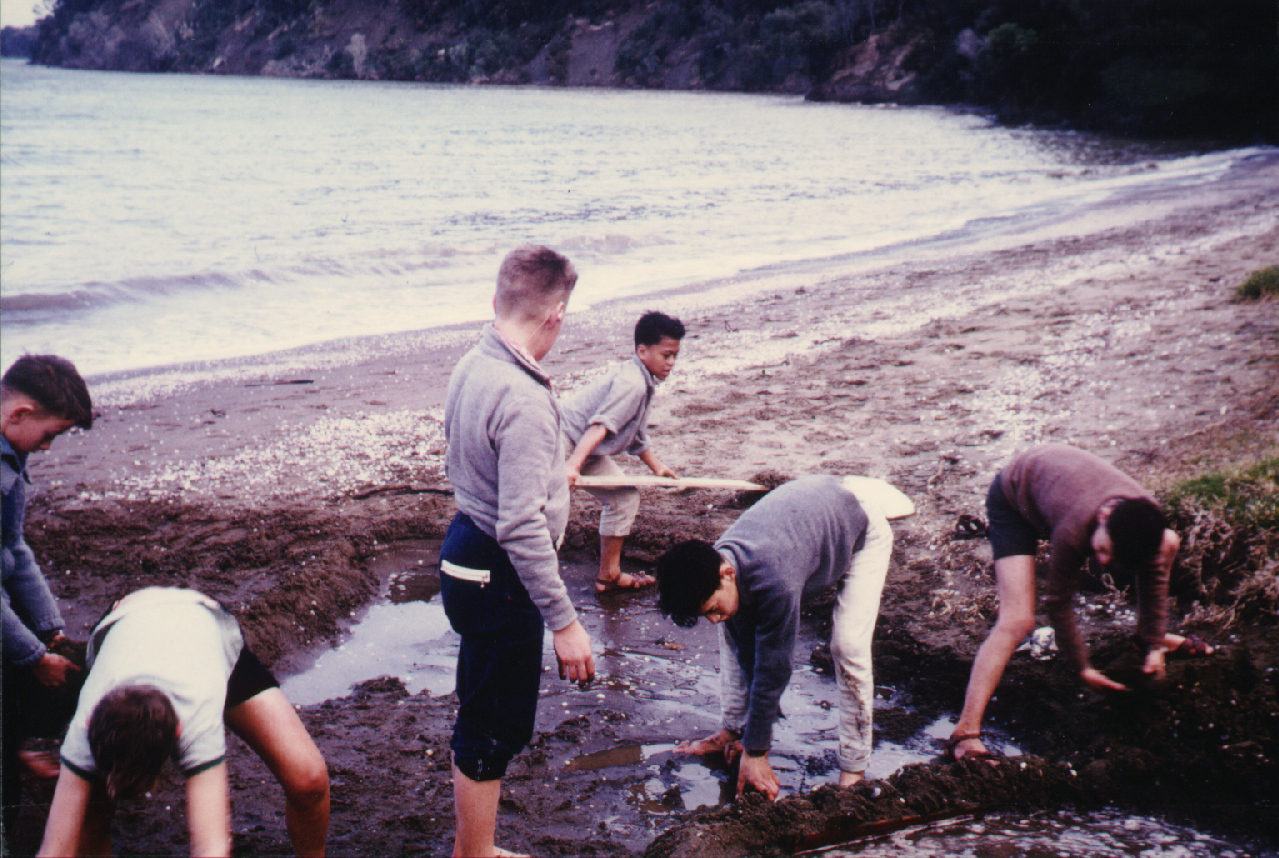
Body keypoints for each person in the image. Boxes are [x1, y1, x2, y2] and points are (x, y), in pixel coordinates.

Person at [441, 244, 595, 858]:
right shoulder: (525, 397)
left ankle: (472, 848)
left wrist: (551, 475)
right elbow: (522, 528)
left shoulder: (472, 364)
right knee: (496, 723)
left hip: (464, 553)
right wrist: (566, 622)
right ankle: (475, 855)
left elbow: (477, 460)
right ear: (555, 314)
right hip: (500, 572)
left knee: (480, 705)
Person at [946, 443, 1213, 763]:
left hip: (1057, 490)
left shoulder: (1144, 520)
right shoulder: (1074, 530)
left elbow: (1153, 574)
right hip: (1016, 497)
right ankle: (965, 734)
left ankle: (1145, 641)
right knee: (1017, 621)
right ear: (1103, 518)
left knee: (1168, 542)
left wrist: (1155, 642)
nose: (1101, 560)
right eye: (1102, 550)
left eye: (1110, 557)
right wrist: (1082, 667)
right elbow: (1058, 604)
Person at [37, 587, 330, 857]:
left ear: (179, 731)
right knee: (92, 810)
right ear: (89, 722)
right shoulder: (82, 731)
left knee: (309, 780)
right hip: (124, 624)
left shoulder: (198, 718)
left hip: (202, 627)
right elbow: (54, 851)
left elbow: (212, 848)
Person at [654, 475, 897, 800]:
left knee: (848, 645)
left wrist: (756, 752)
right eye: (704, 614)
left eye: (712, 607)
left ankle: (854, 768)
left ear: (728, 574)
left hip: (859, 529)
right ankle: (731, 730)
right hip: (807, 517)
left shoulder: (774, 578)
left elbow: (774, 667)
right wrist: (750, 736)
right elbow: (746, 650)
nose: (711, 618)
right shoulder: (717, 563)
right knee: (731, 627)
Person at [2, 355, 93, 842]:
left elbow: (15, 549)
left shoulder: (11, 459)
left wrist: (48, 629)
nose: (49, 446)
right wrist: (33, 656)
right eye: (49, 434)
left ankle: (14, 746)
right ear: (18, 414)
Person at [561, 310, 685, 593]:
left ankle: (609, 576)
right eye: (666, 355)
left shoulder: (642, 381)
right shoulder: (632, 383)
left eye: (675, 355)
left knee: (623, 498)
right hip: (561, 441)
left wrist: (656, 467)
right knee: (550, 509)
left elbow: (636, 433)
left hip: (584, 448)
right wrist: (572, 466)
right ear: (643, 351)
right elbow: (600, 427)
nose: (672, 363)